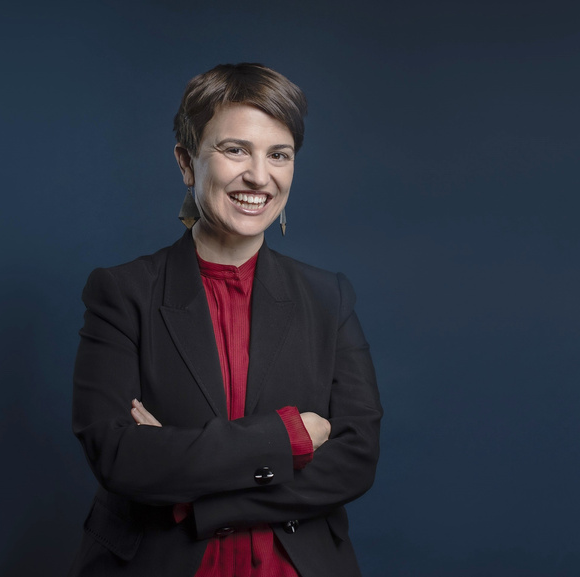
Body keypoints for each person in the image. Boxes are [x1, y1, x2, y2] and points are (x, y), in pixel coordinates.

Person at [70, 63, 382, 577]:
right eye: (235, 149)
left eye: (278, 155)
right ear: (187, 162)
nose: (259, 175)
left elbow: (355, 460)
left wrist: (199, 498)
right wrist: (289, 439)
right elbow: (119, 456)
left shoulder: (330, 297)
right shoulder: (121, 292)